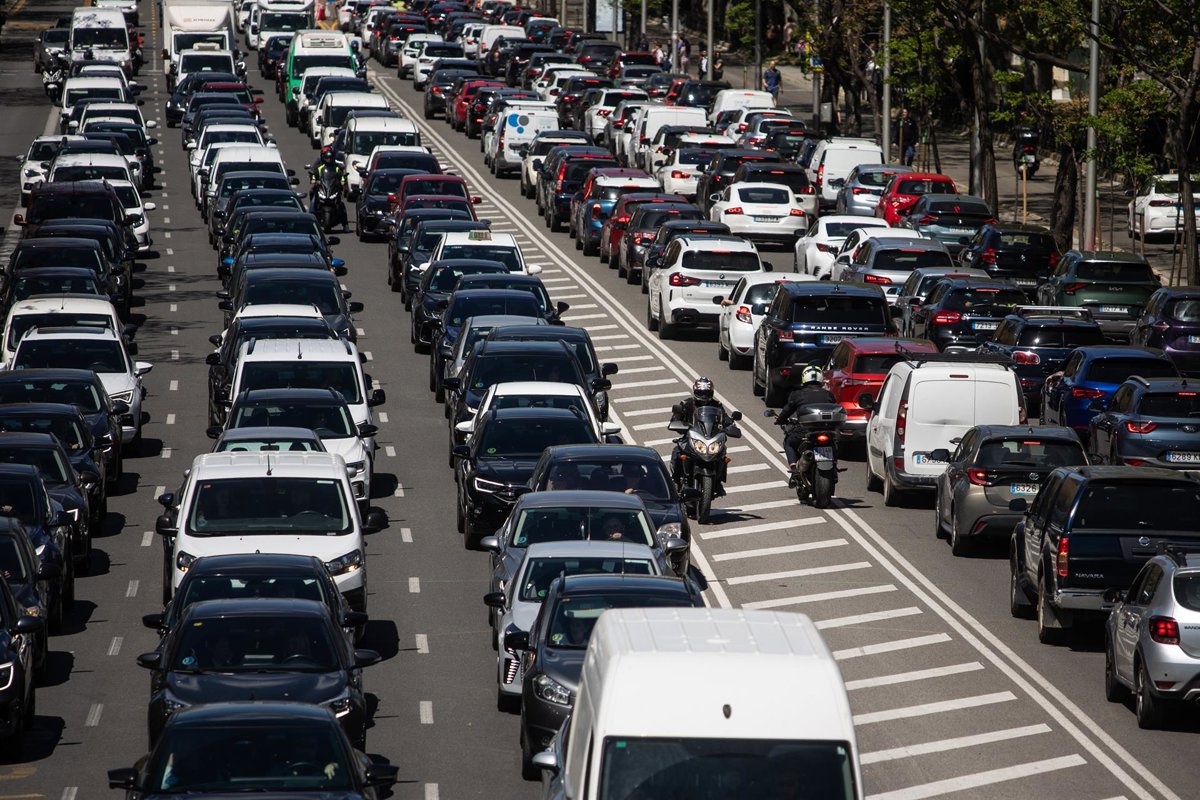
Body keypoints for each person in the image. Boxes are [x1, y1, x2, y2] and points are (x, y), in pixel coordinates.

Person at [669, 377, 739, 487]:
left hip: (711, 437)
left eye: (707, 393)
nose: (704, 396)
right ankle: (675, 480)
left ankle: (718, 481)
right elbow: (676, 416)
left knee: (722, 454)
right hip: (692, 436)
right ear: (695, 391)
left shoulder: (717, 405)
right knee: (678, 451)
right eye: (701, 393)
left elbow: (725, 418)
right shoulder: (687, 403)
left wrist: (730, 425)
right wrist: (677, 421)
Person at [774, 366, 837, 482]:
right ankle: (834, 467)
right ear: (820, 378)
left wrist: (779, 420)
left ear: (804, 378)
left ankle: (794, 470)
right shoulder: (828, 394)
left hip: (804, 431)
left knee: (789, 443)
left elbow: (787, 410)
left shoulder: (797, 394)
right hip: (826, 430)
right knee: (834, 443)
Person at [309, 148, 348, 231]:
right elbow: (314, 174)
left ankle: (345, 224)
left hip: (333, 188)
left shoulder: (336, 167)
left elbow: (342, 176)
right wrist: (314, 180)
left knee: (341, 204)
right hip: (323, 187)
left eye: (330, 158)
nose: (329, 160)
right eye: (327, 158)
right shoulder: (320, 167)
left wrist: (342, 181)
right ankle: (311, 220)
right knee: (313, 199)